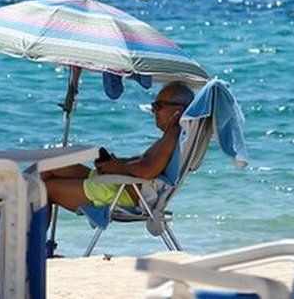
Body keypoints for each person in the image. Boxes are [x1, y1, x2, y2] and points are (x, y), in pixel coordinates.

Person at [40, 81, 195, 212]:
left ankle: (34, 244)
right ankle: (31, 237)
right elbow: (147, 165)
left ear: (178, 111)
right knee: (47, 166)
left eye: (159, 105)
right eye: (154, 105)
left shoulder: (171, 139)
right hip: (118, 184)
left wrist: (117, 167)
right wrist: (116, 163)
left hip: (122, 194)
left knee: (45, 188)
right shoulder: (172, 138)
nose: (154, 110)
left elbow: (146, 170)